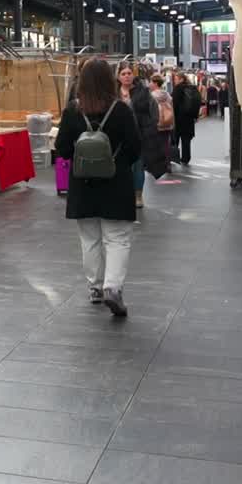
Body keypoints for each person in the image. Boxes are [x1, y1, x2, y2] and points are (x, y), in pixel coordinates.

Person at [55, 58, 141, 317]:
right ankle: (112, 288)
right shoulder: (122, 110)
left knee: (89, 239)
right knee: (117, 239)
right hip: (116, 184)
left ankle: (94, 287)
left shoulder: (72, 111)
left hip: (83, 185)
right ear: (110, 80)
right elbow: (135, 148)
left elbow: (62, 149)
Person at [118, 62, 167, 208]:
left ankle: (138, 195)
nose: (127, 76)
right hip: (119, 136)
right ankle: (124, 193)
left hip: (139, 135)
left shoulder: (142, 92)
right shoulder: (114, 93)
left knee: (138, 166)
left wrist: (150, 127)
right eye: (123, 74)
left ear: (133, 75)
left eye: (129, 73)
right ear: (118, 77)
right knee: (123, 167)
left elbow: (154, 111)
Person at [171, 71, 201, 165]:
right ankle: (185, 158)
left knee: (175, 139)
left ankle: (174, 157)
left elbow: (174, 104)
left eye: (176, 79)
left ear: (181, 79)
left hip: (178, 118)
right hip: (189, 119)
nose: (174, 81)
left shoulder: (178, 88)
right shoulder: (192, 88)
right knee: (186, 140)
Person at [150, 74, 175, 165]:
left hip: (156, 122)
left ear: (155, 83)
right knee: (166, 143)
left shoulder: (152, 96)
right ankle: (167, 162)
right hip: (167, 122)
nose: (149, 84)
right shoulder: (167, 94)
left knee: (155, 144)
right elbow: (171, 107)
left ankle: (158, 163)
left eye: (151, 82)